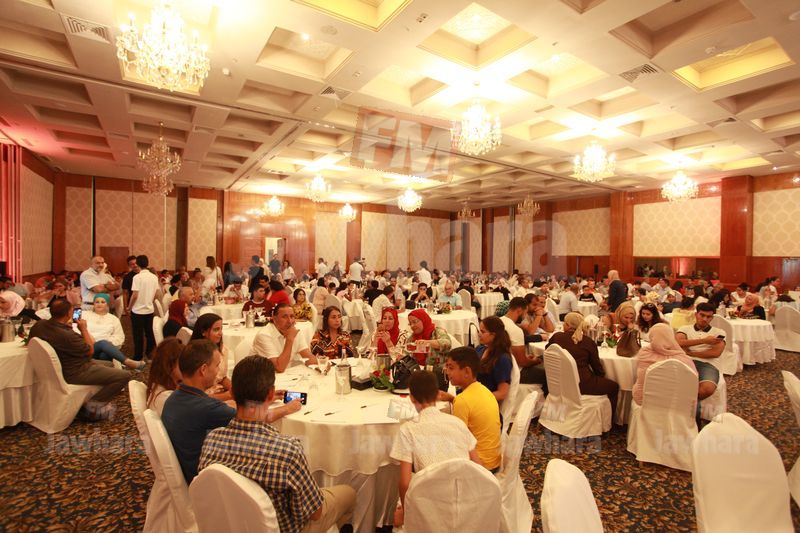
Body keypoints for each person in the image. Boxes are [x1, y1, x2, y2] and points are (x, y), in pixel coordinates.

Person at [199, 356, 355, 533]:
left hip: (229, 524)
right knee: (349, 494)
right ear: (271, 394)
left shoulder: (211, 441)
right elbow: (315, 513)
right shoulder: (287, 451)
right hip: (285, 528)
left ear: (232, 393)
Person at [390, 370, 480, 528]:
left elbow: (404, 483)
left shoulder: (407, 430)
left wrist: (406, 512)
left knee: (396, 518)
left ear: (411, 398)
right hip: (464, 504)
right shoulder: (458, 423)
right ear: (438, 394)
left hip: (429, 508)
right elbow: (478, 467)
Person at [29, 298, 130, 421]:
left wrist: (68, 327)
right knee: (124, 375)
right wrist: (83, 329)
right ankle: (89, 411)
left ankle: (90, 399)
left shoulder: (39, 325)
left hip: (60, 365)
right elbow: (90, 350)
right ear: (68, 313)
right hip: (75, 371)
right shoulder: (68, 335)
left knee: (109, 364)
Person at [162, 339, 236, 483]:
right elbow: (252, 418)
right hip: (206, 479)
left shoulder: (173, 398)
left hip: (188, 467)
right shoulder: (205, 407)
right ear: (203, 369)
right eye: (217, 365)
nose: (218, 371)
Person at [441, 347, 502, 473]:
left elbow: (458, 442)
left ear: (467, 371)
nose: (447, 371)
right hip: (493, 460)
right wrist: (452, 399)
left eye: (451, 368)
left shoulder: (463, 401)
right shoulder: (484, 390)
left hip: (479, 467)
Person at [548, 312, 619, 416]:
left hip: (558, 382)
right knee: (614, 387)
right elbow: (597, 368)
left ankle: (552, 413)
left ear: (567, 325)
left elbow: (548, 353)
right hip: (581, 384)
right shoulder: (587, 341)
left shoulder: (556, 337)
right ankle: (610, 422)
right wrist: (600, 378)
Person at [633, 323, 697, 405]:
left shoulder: (644, 353)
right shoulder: (684, 360)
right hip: (675, 404)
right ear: (671, 337)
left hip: (643, 400)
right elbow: (692, 385)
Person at [675, 302, 724, 401]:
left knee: (707, 389)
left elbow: (715, 353)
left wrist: (689, 352)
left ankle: (687, 404)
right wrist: (705, 341)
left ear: (712, 318)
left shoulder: (719, 332)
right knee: (670, 382)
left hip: (708, 364)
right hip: (685, 361)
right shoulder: (684, 328)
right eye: (702, 315)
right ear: (696, 314)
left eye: (708, 317)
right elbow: (678, 343)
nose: (705, 319)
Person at [83, 293, 144, 370]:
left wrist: (106, 343)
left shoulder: (113, 319)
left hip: (105, 347)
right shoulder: (85, 314)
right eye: (97, 302)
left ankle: (102, 372)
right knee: (103, 344)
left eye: (103, 302)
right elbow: (75, 328)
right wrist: (89, 337)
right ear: (93, 304)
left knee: (104, 353)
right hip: (87, 346)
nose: (99, 304)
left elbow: (120, 337)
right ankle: (128, 362)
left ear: (107, 304)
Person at [250, 304, 317, 372]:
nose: (290, 321)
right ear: (274, 319)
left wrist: (318, 363)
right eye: (284, 317)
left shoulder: (295, 332)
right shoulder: (264, 335)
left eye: (292, 316)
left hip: (286, 375)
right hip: (262, 375)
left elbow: (310, 359)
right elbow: (279, 368)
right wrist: (289, 339)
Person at [502, 297, 547, 394]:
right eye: (525, 313)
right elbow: (522, 362)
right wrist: (536, 360)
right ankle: (541, 401)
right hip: (513, 372)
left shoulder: (499, 321)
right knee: (549, 375)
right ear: (519, 311)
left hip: (499, 368)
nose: (524, 316)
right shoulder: (515, 330)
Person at [190, 313, 232, 401]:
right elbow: (195, 396)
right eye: (216, 329)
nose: (220, 333)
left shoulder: (222, 349)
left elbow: (222, 378)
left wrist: (234, 390)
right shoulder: (194, 355)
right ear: (203, 332)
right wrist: (227, 396)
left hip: (220, 392)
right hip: (204, 399)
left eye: (221, 329)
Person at [127, 255, 160, 361]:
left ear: (137, 264)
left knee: (138, 335)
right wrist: (149, 301)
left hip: (137, 311)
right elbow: (157, 294)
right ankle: (150, 354)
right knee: (150, 333)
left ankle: (138, 356)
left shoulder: (137, 277)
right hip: (149, 310)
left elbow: (135, 295)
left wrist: (129, 307)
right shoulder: (154, 277)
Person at [474, 316, 512, 402]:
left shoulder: (502, 359)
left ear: (493, 335)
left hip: (485, 401)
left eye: (483, 332)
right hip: (474, 391)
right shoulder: (480, 349)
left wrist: (476, 399)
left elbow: (502, 393)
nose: (479, 334)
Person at [146, 338, 183, 415]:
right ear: (169, 366)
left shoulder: (158, 387)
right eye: (183, 363)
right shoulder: (167, 398)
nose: (189, 368)